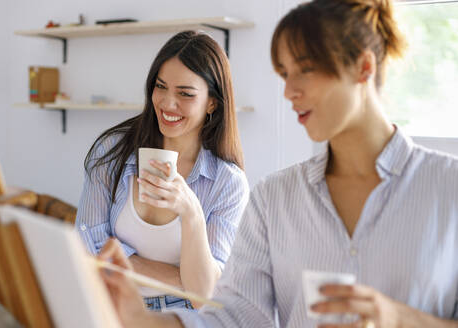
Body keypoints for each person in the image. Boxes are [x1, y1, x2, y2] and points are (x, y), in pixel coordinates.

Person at [97, 0, 458, 327]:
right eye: (285, 74)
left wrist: (398, 318)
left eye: (306, 69)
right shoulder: (274, 197)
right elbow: (233, 318)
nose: (289, 91)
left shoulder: (449, 187)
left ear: (363, 67)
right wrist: (140, 319)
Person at [75, 30, 249, 311]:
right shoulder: (112, 152)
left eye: (185, 93)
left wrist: (191, 211)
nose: (168, 103)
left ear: (212, 103)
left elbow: (206, 295)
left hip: (185, 315)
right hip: (115, 305)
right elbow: (87, 246)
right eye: (161, 86)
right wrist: (181, 277)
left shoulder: (227, 182)